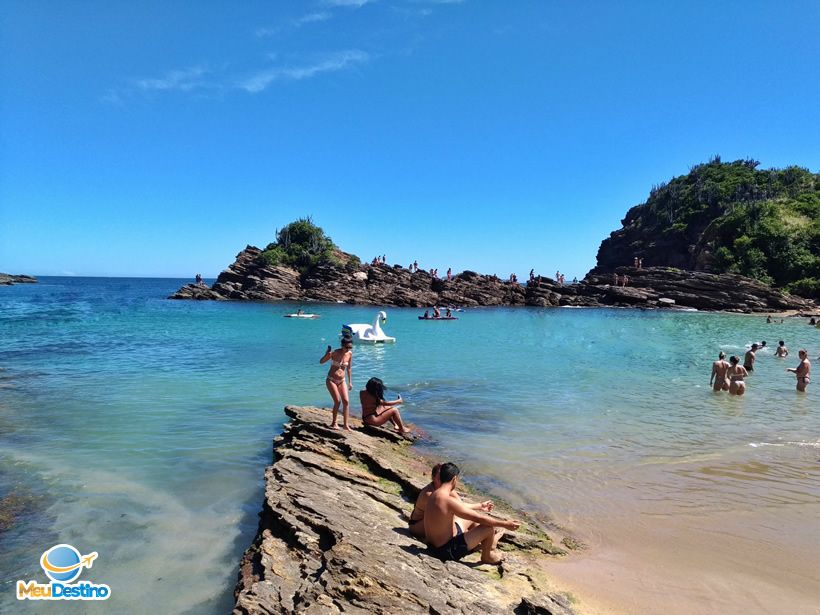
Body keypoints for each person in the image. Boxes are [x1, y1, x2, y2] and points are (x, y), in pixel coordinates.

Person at [425, 463, 520, 564]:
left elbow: (465, 511)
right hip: (445, 551)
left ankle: (485, 543)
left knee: (469, 517)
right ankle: (488, 556)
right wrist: (505, 524)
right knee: (487, 528)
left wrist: (480, 506)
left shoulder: (434, 494)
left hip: (433, 545)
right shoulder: (447, 500)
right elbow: (478, 518)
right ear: (454, 479)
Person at [409, 463, 494, 541]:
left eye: (443, 477)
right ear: (433, 478)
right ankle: (475, 537)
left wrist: (480, 506)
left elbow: (460, 505)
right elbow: (456, 508)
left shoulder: (446, 488)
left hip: (430, 523)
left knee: (467, 515)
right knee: (453, 515)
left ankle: (481, 536)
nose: (442, 481)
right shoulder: (429, 494)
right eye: (439, 478)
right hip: (417, 526)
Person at [319, 337, 354, 430]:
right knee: (337, 401)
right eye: (347, 347)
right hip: (331, 379)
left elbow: (349, 368)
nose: (348, 349)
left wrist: (350, 382)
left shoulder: (349, 354)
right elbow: (321, 362)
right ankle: (334, 423)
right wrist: (327, 354)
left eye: (350, 347)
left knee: (346, 401)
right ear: (342, 346)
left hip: (342, 380)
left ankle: (346, 425)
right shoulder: (334, 353)